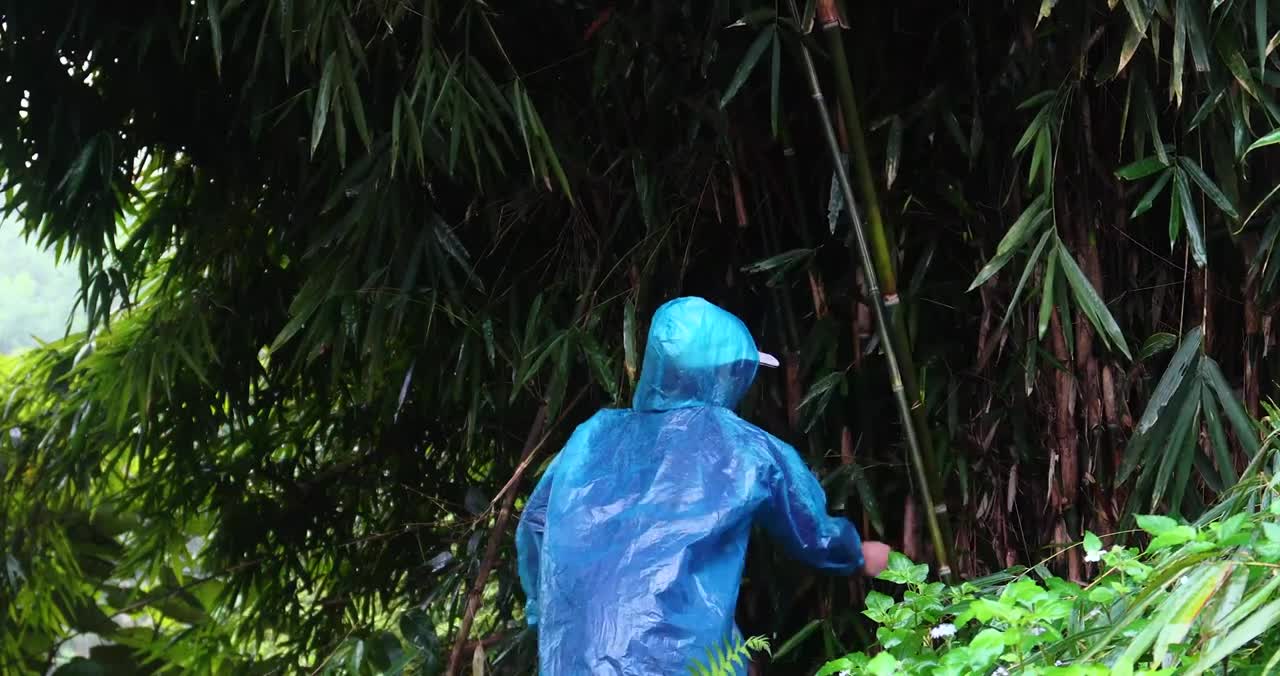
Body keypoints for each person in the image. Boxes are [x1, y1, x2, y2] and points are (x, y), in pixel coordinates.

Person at [516, 296, 891, 675]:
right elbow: (810, 529)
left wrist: (544, 611)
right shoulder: (741, 446)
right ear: (721, 375)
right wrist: (858, 554)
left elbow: (534, 524)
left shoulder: (591, 436)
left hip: (574, 657)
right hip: (679, 656)